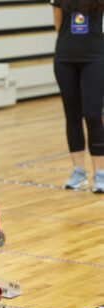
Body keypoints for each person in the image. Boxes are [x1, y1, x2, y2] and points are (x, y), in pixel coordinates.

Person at [51, 0, 104, 192]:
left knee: (93, 114)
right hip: (65, 58)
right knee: (72, 115)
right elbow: (59, 26)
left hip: (95, 57)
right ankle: (78, 171)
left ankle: (100, 173)